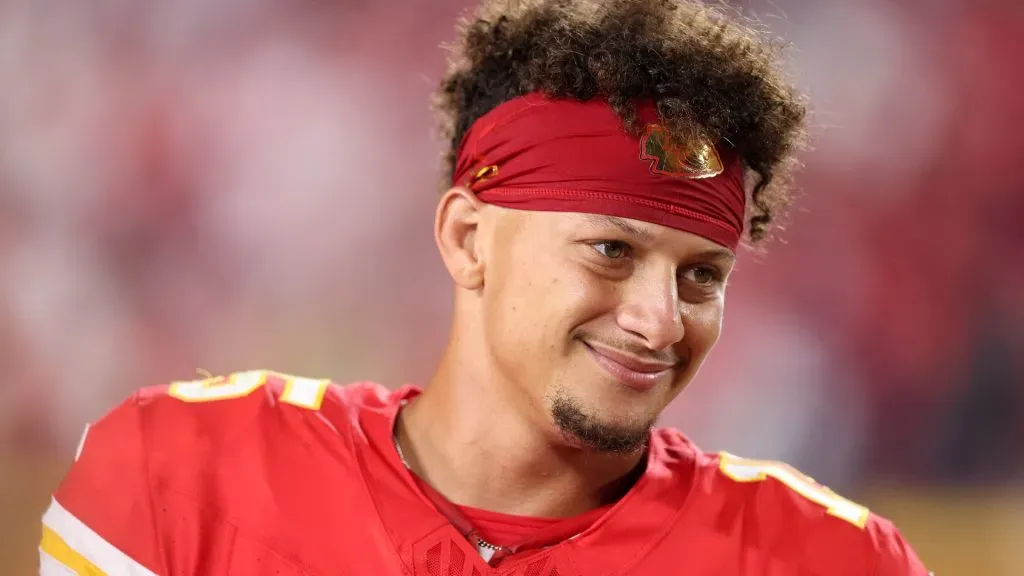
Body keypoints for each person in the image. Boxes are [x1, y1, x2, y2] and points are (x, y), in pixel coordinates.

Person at [39, 1, 931, 574]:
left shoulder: (824, 558)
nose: (661, 321)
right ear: (468, 239)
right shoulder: (182, 478)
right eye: (611, 252)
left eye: (701, 276)